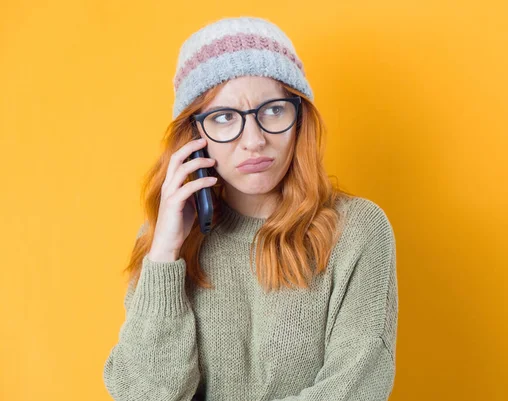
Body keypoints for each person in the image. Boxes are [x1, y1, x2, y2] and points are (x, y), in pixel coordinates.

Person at [103, 15, 398, 401]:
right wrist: (163, 254)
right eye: (224, 118)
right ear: (194, 135)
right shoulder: (166, 241)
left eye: (273, 110)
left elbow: (356, 384)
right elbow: (143, 393)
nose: (254, 140)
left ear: (299, 117)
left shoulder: (358, 230)